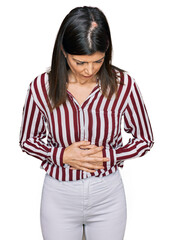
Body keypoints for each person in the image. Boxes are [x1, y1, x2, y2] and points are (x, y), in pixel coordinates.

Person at [19, 6, 154, 240]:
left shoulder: (123, 85)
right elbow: (27, 140)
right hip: (59, 194)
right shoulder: (41, 87)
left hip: (108, 194)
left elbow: (145, 139)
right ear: (64, 51)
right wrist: (61, 156)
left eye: (98, 61)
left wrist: (107, 155)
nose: (89, 70)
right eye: (80, 62)